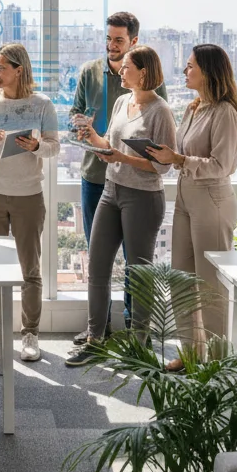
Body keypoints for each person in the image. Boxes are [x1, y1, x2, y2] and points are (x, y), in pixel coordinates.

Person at [65, 46, 177, 366]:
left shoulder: (160, 111)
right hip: (111, 191)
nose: (120, 70)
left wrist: (122, 158)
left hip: (142, 197)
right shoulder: (121, 101)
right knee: (97, 267)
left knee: (137, 273)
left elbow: (163, 166)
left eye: (126, 66)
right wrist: (92, 138)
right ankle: (94, 339)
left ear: (143, 72)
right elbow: (110, 144)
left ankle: (138, 346)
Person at [0, 44, 59, 363]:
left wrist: (35, 146)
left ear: (19, 70)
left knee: (29, 268)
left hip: (29, 195)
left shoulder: (41, 104)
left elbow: (53, 147)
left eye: (0, 67)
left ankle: (29, 333)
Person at [149, 44, 237, 354]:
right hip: (186, 197)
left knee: (210, 287)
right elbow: (181, 154)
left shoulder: (225, 112)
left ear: (208, 72)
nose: (185, 71)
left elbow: (222, 166)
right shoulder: (192, 108)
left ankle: (217, 360)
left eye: (191, 67)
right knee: (181, 279)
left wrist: (178, 158)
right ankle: (191, 353)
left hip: (212, 200)